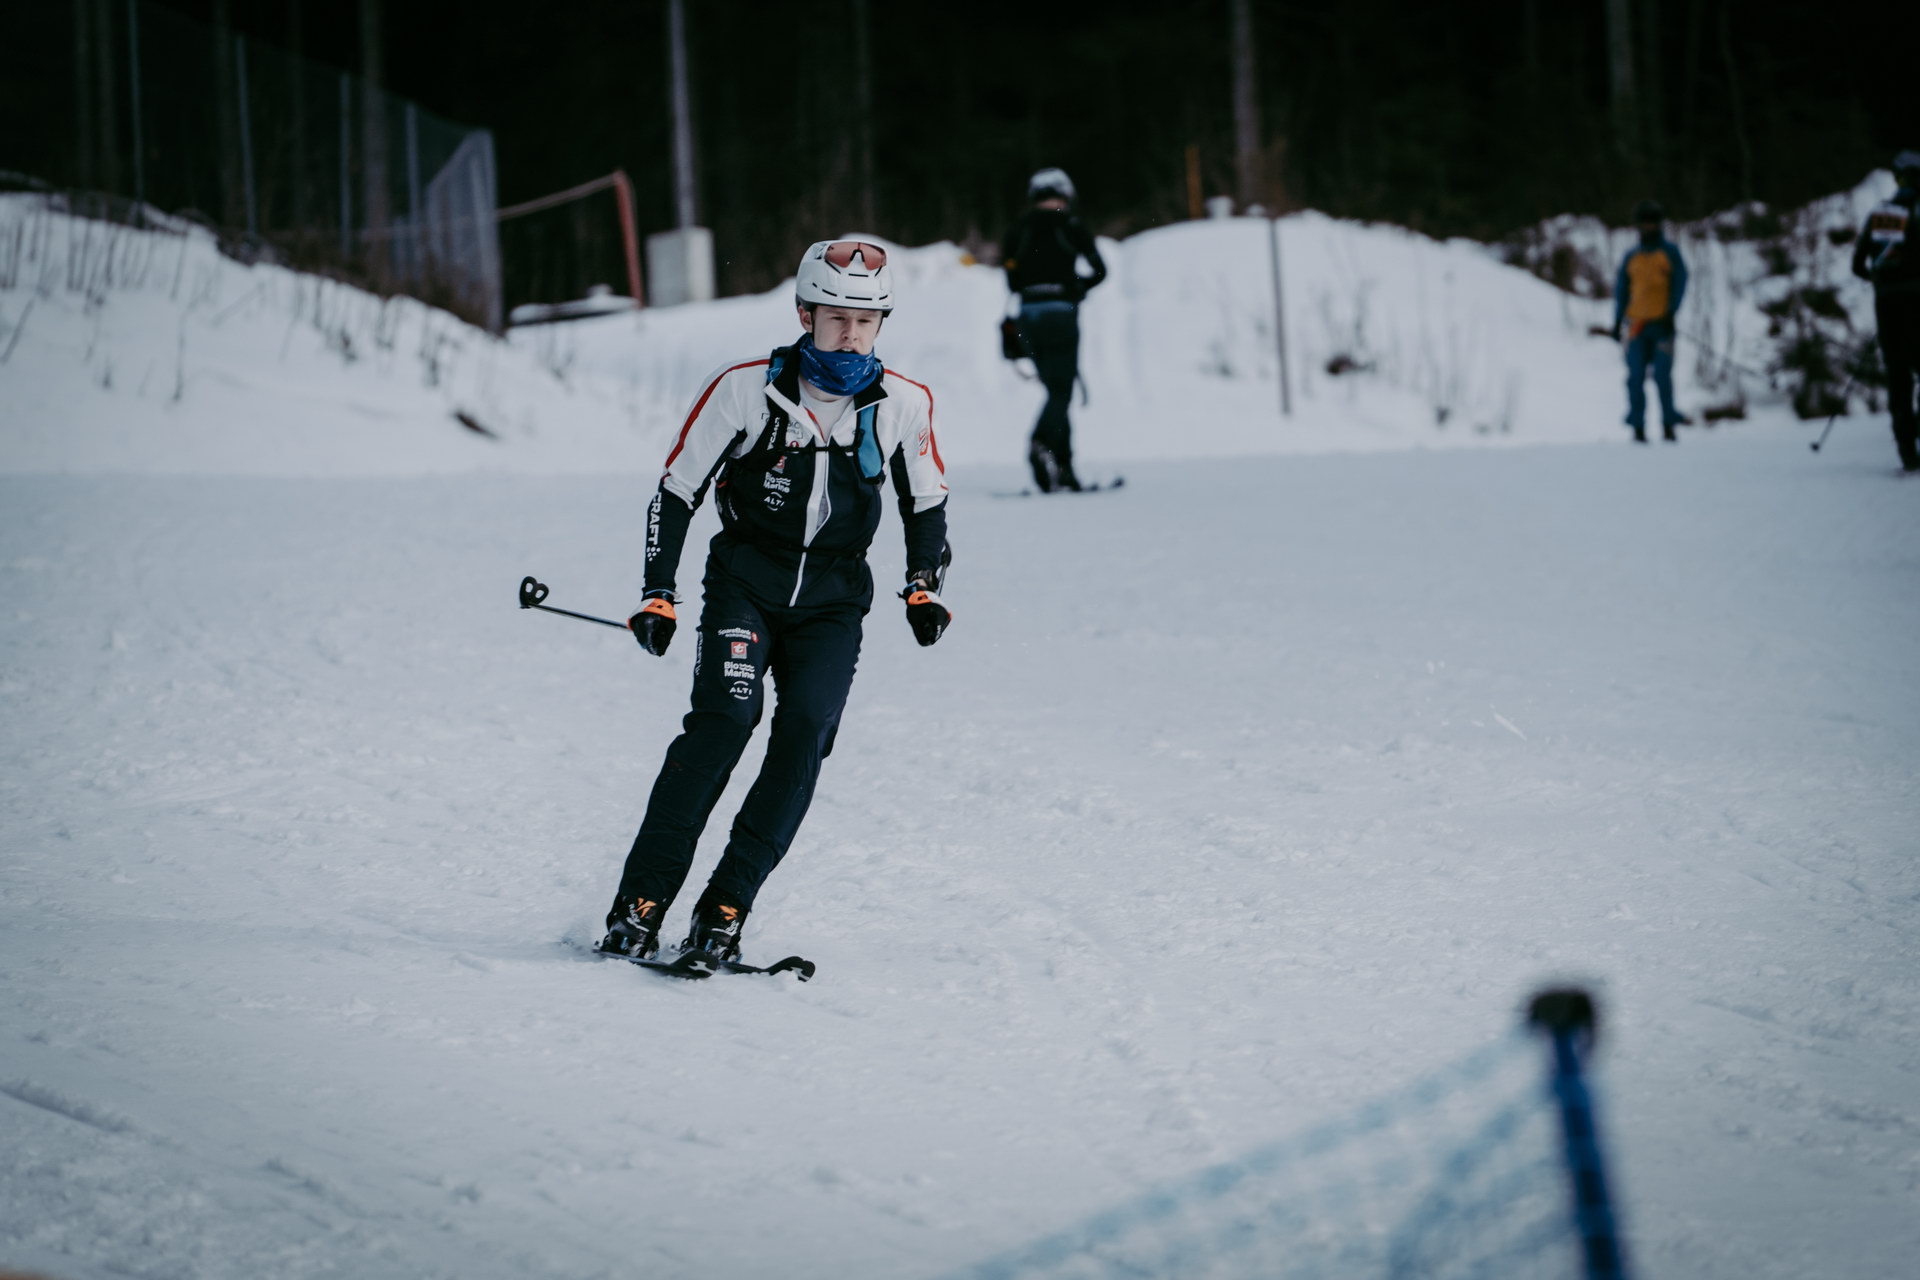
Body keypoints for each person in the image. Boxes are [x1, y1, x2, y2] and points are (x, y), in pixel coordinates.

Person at [597, 240, 953, 965]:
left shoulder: (904, 403)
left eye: (866, 320)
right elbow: (676, 490)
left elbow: (926, 501)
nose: (850, 334)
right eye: (835, 318)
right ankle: (639, 906)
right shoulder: (744, 389)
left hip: (832, 604)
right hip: (745, 586)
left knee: (804, 736)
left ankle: (725, 909)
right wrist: (658, 593)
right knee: (724, 724)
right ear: (804, 314)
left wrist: (923, 585)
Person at [1002, 167, 1107, 491]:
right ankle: (1040, 443)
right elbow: (1100, 270)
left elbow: (1012, 279)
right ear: (1065, 194)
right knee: (1061, 392)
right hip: (1061, 315)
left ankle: (1063, 470)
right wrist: (1076, 286)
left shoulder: (1018, 229)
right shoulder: (1071, 225)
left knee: (1056, 393)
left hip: (1028, 318)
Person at [1851, 150, 1920, 471]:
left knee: (1898, 375)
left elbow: (1857, 265)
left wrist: (1880, 281)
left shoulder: (1881, 214)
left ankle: (1906, 448)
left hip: (1888, 305)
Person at [1612, 199, 1690, 443]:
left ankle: (1668, 424)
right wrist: (1617, 321)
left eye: (1652, 223)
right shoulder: (1632, 256)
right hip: (1636, 327)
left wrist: (1671, 312)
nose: (1648, 227)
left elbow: (1680, 283)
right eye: (1644, 223)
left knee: (1662, 377)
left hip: (1662, 325)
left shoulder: (1669, 253)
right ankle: (1637, 427)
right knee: (1635, 378)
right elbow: (1622, 290)